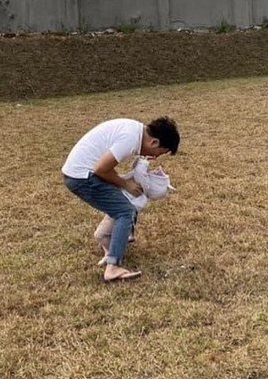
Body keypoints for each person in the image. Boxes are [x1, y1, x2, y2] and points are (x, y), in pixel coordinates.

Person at [62, 117, 180, 282]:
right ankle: (113, 267)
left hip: (78, 172)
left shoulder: (135, 130)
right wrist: (125, 184)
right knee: (125, 210)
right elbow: (101, 169)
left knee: (124, 203)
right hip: (81, 177)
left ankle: (117, 237)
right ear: (154, 142)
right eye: (159, 153)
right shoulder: (130, 139)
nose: (155, 157)